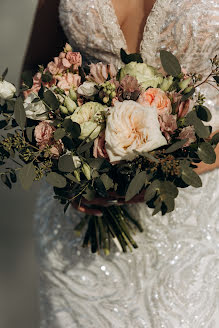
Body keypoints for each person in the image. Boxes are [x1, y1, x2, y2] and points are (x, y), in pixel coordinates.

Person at [24, 0, 219, 327]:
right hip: (78, 225)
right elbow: (33, 78)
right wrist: (66, 163)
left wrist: (168, 164)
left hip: (192, 224)